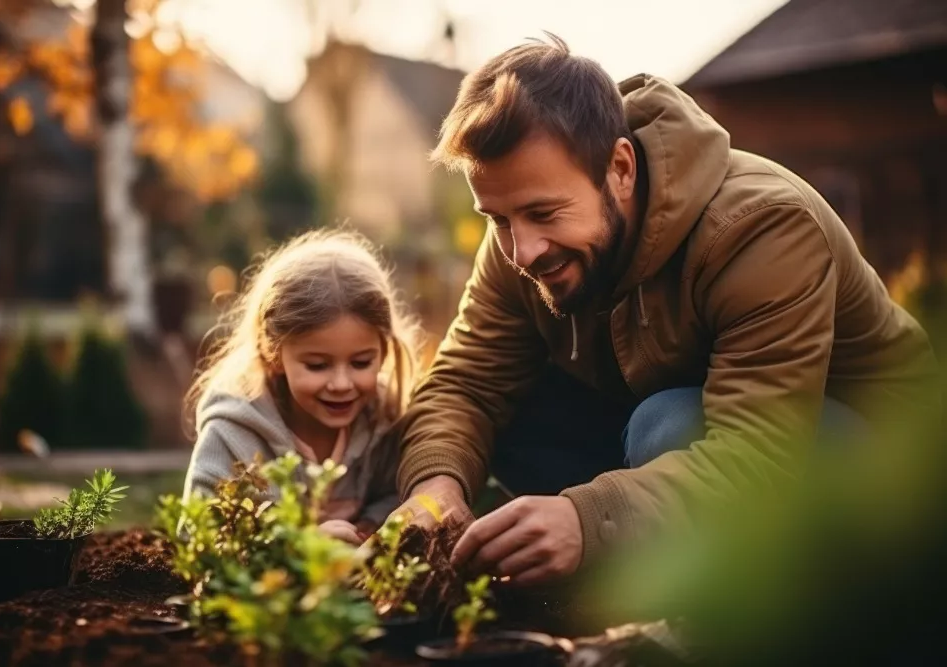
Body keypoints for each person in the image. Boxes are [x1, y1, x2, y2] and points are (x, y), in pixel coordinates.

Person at [391, 35, 940, 585]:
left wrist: (589, 520)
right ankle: (626, 593)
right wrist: (434, 489)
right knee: (509, 418)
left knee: (668, 425)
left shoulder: (763, 228)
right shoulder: (521, 242)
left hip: (879, 470)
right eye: (499, 219)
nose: (523, 250)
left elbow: (758, 453)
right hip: (688, 451)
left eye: (543, 212)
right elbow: (464, 385)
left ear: (620, 169)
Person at [182, 229, 421, 545]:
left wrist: (370, 526)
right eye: (318, 365)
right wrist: (298, 546)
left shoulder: (384, 418)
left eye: (361, 362)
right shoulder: (232, 433)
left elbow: (395, 492)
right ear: (274, 355)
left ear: (384, 351)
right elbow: (198, 535)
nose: (341, 384)